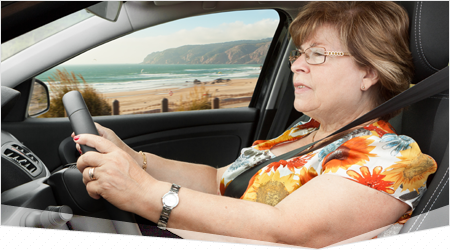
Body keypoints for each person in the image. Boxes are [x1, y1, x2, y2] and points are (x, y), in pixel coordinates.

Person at [72, 2, 437, 248]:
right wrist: (133, 159)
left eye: (317, 55)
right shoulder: (306, 131)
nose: (296, 65)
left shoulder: (392, 157)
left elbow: (287, 230)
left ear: (369, 72)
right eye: (299, 54)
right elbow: (218, 181)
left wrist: (146, 194)